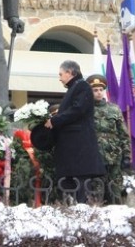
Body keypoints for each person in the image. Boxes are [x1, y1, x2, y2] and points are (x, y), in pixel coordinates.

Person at [44, 60, 106, 203]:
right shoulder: (74, 88)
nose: (59, 78)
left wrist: (54, 121)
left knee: (81, 183)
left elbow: (77, 110)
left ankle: (82, 211)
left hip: (79, 145)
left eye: (61, 74)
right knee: (71, 182)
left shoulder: (82, 86)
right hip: (73, 146)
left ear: (70, 72)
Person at [86, 74, 131, 205]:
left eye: (101, 90)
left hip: (114, 156)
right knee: (96, 192)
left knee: (115, 191)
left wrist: (127, 155)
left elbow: (123, 134)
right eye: (95, 90)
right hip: (94, 157)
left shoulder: (114, 109)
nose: (99, 93)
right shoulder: (86, 110)